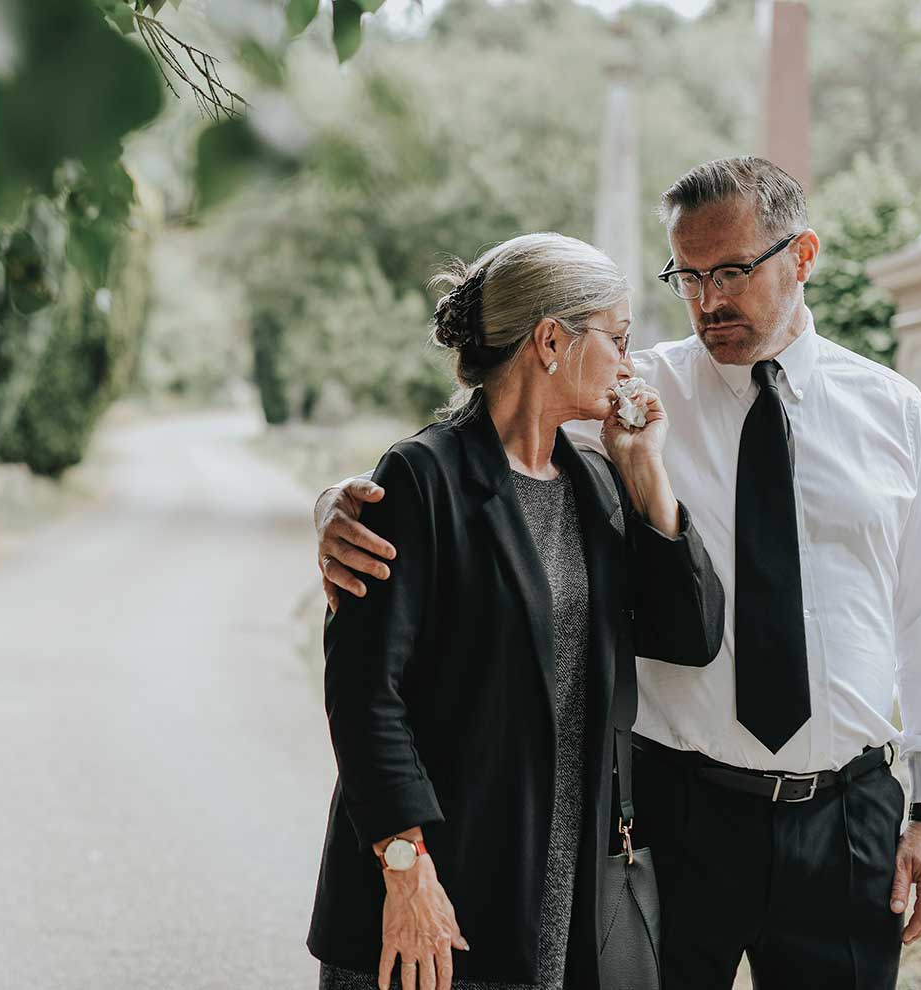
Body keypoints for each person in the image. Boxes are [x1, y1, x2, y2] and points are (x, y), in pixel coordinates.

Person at [314, 158, 921, 990]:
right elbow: (471, 447)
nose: (708, 301)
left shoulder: (890, 412)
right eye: (690, 277)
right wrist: (339, 503)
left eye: (732, 271)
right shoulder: (630, 397)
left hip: (846, 820)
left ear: (802, 255)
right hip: (677, 817)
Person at [307, 232, 724, 990]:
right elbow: (367, 696)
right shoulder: (421, 478)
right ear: (551, 341)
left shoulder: (594, 484)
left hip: (559, 892)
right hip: (432, 887)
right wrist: (407, 872)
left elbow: (689, 636)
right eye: (619, 337)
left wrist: (646, 474)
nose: (631, 363)